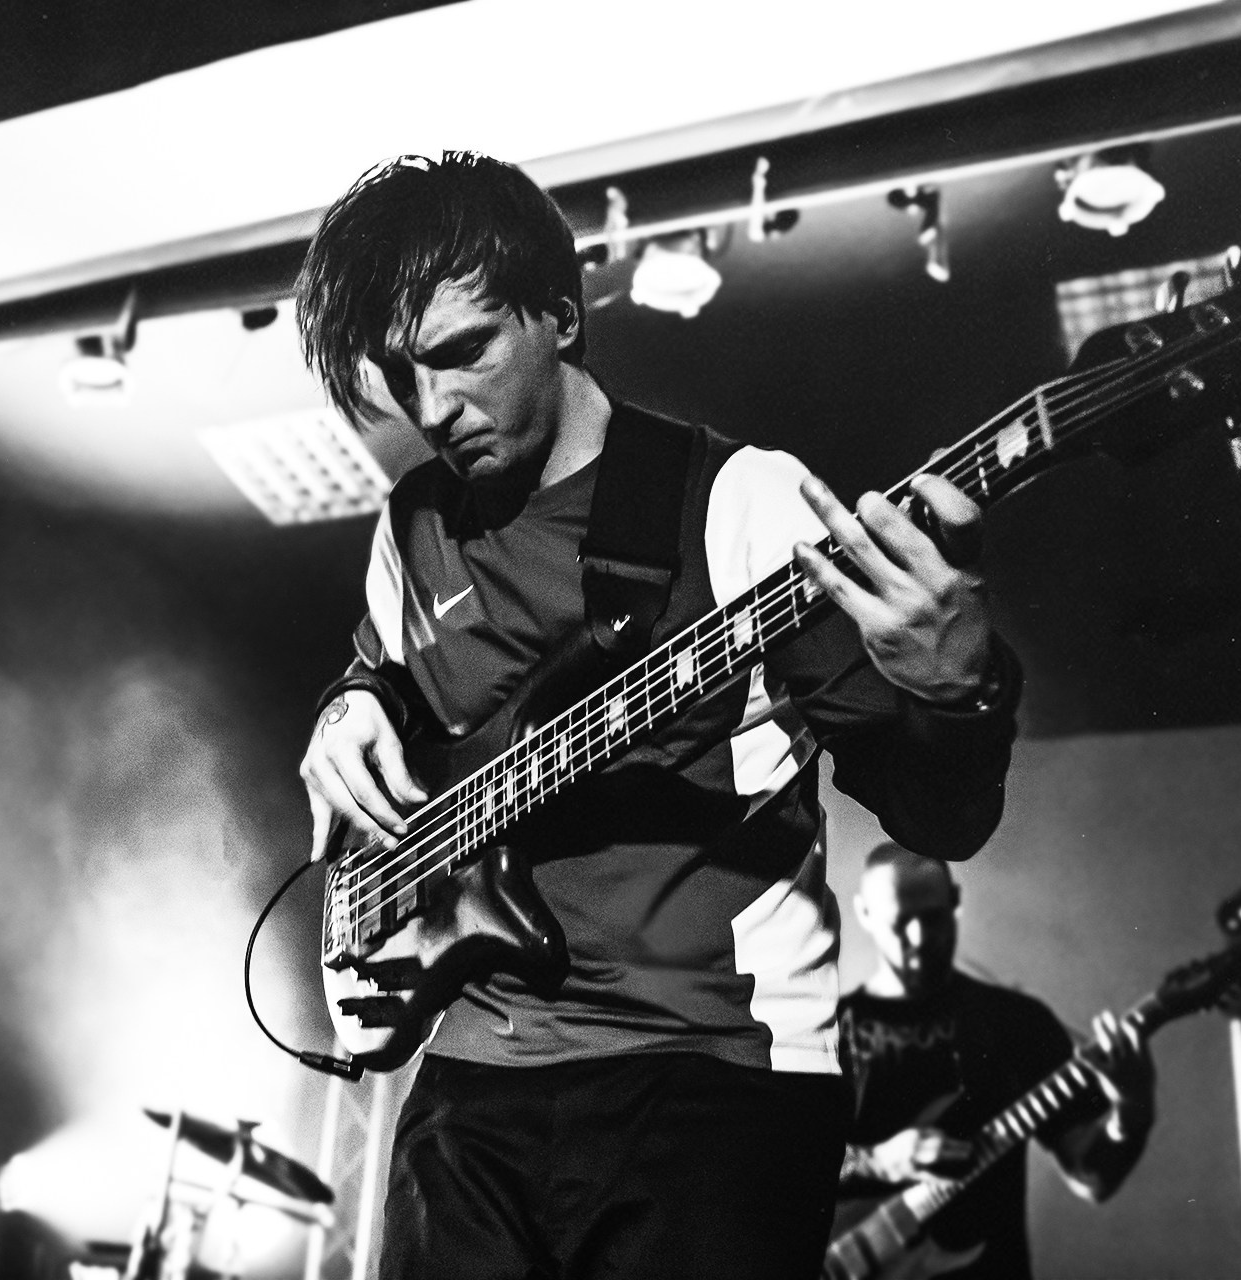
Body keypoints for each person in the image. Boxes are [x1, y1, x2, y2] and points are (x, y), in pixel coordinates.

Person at [294, 151, 1022, 1280]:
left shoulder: (742, 503)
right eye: (399, 372)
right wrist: (348, 706)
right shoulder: (414, 522)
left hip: (713, 1067)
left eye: (463, 352)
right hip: (475, 1072)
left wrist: (961, 683)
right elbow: (392, 693)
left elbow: (942, 816)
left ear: (561, 314)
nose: (430, 409)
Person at [834, 844, 1156, 1280]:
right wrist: (876, 1161)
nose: (919, 938)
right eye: (900, 921)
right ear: (864, 913)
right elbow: (777, 1170)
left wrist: (1133, 1108)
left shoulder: (1017, 1021)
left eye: (933, 917)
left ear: (956, 902)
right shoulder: (828, 1031)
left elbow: (1093, 1178)